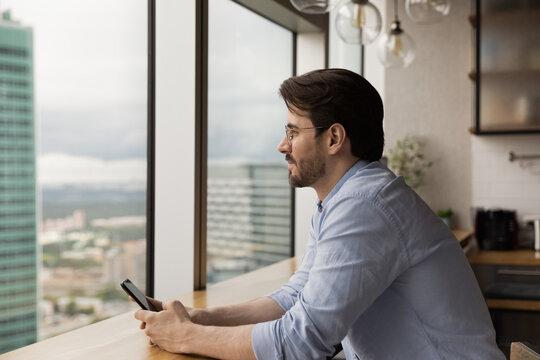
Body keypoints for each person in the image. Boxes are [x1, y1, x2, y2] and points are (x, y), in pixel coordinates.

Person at [134, 68, 505, 360]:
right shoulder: (346, 198)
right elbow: (296, 296)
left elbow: (300, 343)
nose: (283, 145)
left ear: (333, 138)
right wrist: (201, 318)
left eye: (293, 131)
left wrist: (186, 337)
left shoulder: (366, 205)